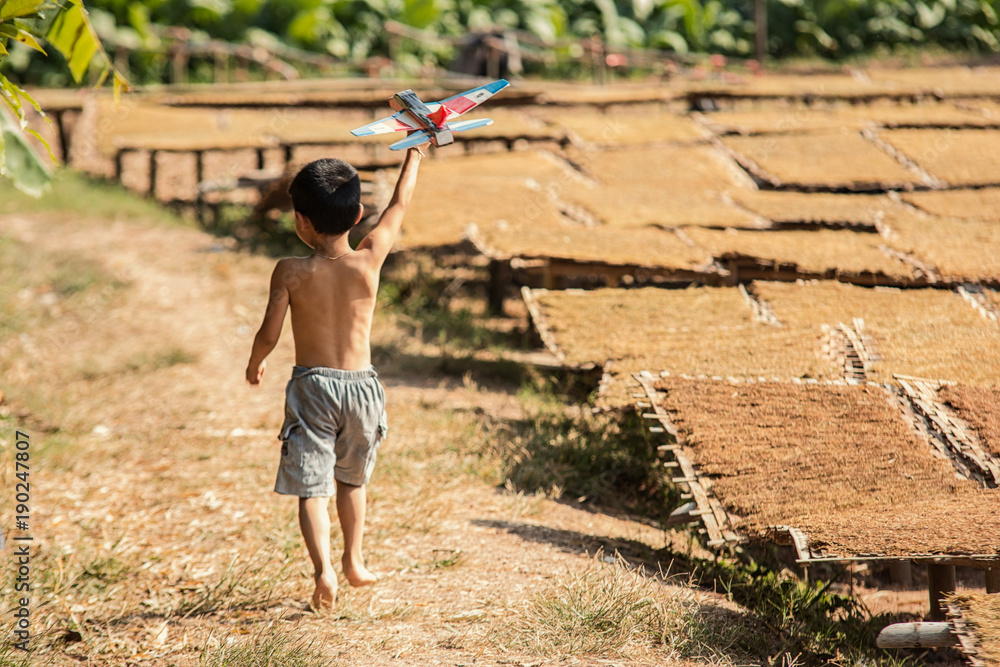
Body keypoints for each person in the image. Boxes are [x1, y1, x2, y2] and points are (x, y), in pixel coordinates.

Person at [245, 147, 423, 610]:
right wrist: (415, 154)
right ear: (358, 213)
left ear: (299, 220)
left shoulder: (290, 271)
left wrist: (255, 362)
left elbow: (269, 331)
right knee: (352, 482)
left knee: (311, 488)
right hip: (362, 388)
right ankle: (354, 559)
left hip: (312, 388)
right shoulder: (369, 261)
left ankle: (323, 570)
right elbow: (399, 206)